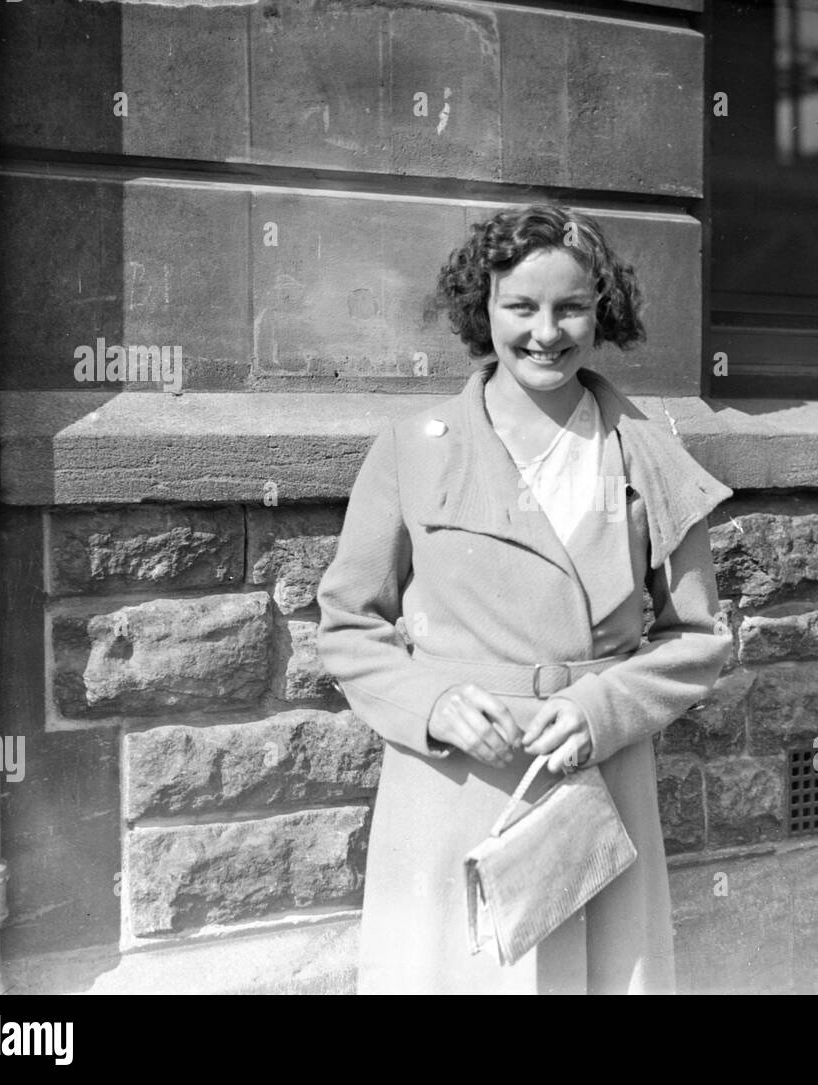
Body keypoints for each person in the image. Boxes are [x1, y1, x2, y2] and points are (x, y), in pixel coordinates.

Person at [316, 203, 732, 994]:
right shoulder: (411, 448)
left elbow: (697, 639)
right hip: (454, 785)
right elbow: (347, 625)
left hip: (593, 783)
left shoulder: (647, 457)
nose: (548, 332)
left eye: (572, 306)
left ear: (601, 311)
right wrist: (432, 702)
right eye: (521, 307)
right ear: (484, 310)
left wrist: (600, 710)